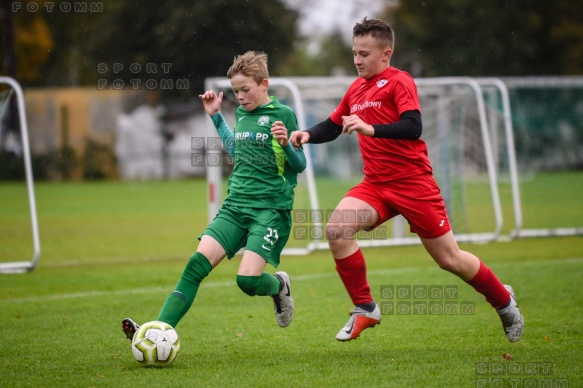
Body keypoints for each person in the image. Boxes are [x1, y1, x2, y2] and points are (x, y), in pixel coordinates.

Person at [290, 18, 524, 342]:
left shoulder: (400, 82)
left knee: (449, 259)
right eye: (354, 53)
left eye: (364, 54)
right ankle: (365, 308)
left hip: (413, 184)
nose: (357, 60)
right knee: (337, 230)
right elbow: (332, 126)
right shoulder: (356, 88)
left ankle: (503, 300)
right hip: (375, 185)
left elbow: (413, 126)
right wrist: (306, 134)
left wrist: (371, 129)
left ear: (386, 54)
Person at [122, 51, 306, 340]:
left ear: (264, 84)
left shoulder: (283, 115)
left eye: (245, 89)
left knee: (246, 280)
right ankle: (158, 331)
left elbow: (301, 165)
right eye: (236, 91)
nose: (241, 96)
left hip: (269, 210)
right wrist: (216, 117)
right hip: (235, 206)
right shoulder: (243, 114)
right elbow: (237, 153)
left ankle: (279, 287)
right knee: (196, 264)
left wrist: (286, 145)